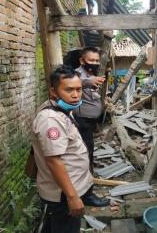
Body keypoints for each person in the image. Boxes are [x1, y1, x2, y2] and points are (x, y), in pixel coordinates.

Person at [32, 65, 109, 233]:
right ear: (53, 91)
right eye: (69, 90)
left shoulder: (63, 109)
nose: (75, 95)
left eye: (79, 89)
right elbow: (54, 160)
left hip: (69, 190)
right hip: (63, 194)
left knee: (55, 226)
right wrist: (72, 197)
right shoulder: (50, 119)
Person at [73, 47, 106, 168]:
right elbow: (74, 82)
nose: (95, 63)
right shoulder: (77, 73)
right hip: (82, 119)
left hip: (91, 120)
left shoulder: (92, 73)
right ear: (82, 61)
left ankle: (89, 165)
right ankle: (86, 172)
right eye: (91, 60)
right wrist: (88, 82)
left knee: (89, 145)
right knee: (86, 147)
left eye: (97, 61)